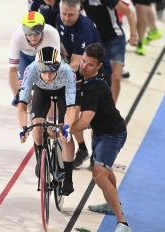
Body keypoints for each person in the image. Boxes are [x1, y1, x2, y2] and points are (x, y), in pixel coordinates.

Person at [66, 42, 131, 232]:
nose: (83, 66)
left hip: (112, 134)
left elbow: (84, 121)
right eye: (83, 61)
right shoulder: (90, 79)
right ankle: (113, 204)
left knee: (99, 174)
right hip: (101, 133)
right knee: (105, 170)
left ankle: (123, 224)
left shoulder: (93, 88)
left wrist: (64, 130)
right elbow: (79, 85)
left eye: (89, 65)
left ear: (99, 66)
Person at [56, 0, 112, 170]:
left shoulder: (85, 29)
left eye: (71, 15)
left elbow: (75, 63)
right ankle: (81, 149)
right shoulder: (60, 18)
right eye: (64, 13)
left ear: (79, 11)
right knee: (70, 111)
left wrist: (53, 74)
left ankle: (97, 154)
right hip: (77, 73)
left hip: (96, 75)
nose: (66, 18)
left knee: (94, 117)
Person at [18, 46, 76, 196]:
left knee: (64, 133)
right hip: (41, 91)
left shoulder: (67, 71)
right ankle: (41, 161)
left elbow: (71, 108)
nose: (48, 77)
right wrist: (23, 128)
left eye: (51, 71)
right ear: (38, 68)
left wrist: (67, 128)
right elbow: (23, 105)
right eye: (44, 71)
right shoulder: (31, 70)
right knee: (36, 126)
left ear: (58, 67)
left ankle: (68, 179)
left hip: (62, 92)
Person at [80, 0, 138, 103]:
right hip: (97, 40)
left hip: (114, 39)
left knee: (115, 77)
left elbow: (128, 12)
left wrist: (133, 34)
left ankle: (111, 109)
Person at [9, 11, 61, 104]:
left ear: (43, 28)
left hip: (45, 59)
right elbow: (12, 70)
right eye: (28, 32)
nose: (33, 36)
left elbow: (55, 65)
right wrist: (16, 95)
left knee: (47, 95)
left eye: (37, 30)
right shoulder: (17, 36)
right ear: (23, 30)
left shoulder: (52, 33)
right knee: (24, 97)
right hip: (25, 58)